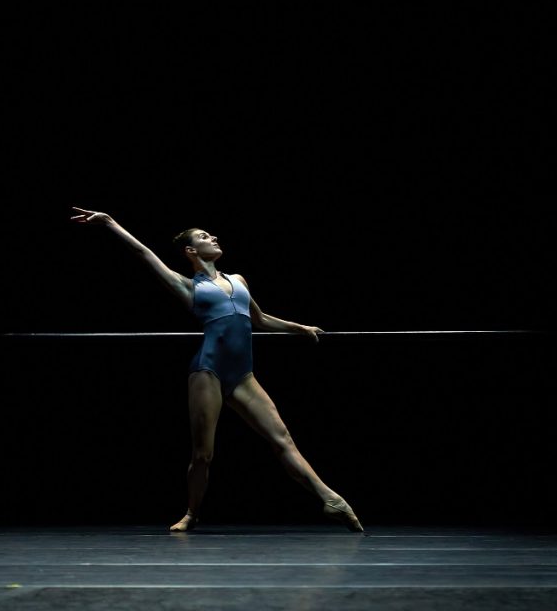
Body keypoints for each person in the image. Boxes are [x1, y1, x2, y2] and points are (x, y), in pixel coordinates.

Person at [70, 207, 364, 532]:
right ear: (191, 251)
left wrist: (300, 327)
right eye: (204, 236)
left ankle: (331, 499)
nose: (213, 238)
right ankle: (192, 514)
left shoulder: (238, 280)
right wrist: (110, 223)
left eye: (211, 234)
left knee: (283, 439)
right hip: (207, 372)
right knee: (203, 455)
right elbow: (143, 252)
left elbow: (260, 319)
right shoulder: (188, 286)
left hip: (243, 374)